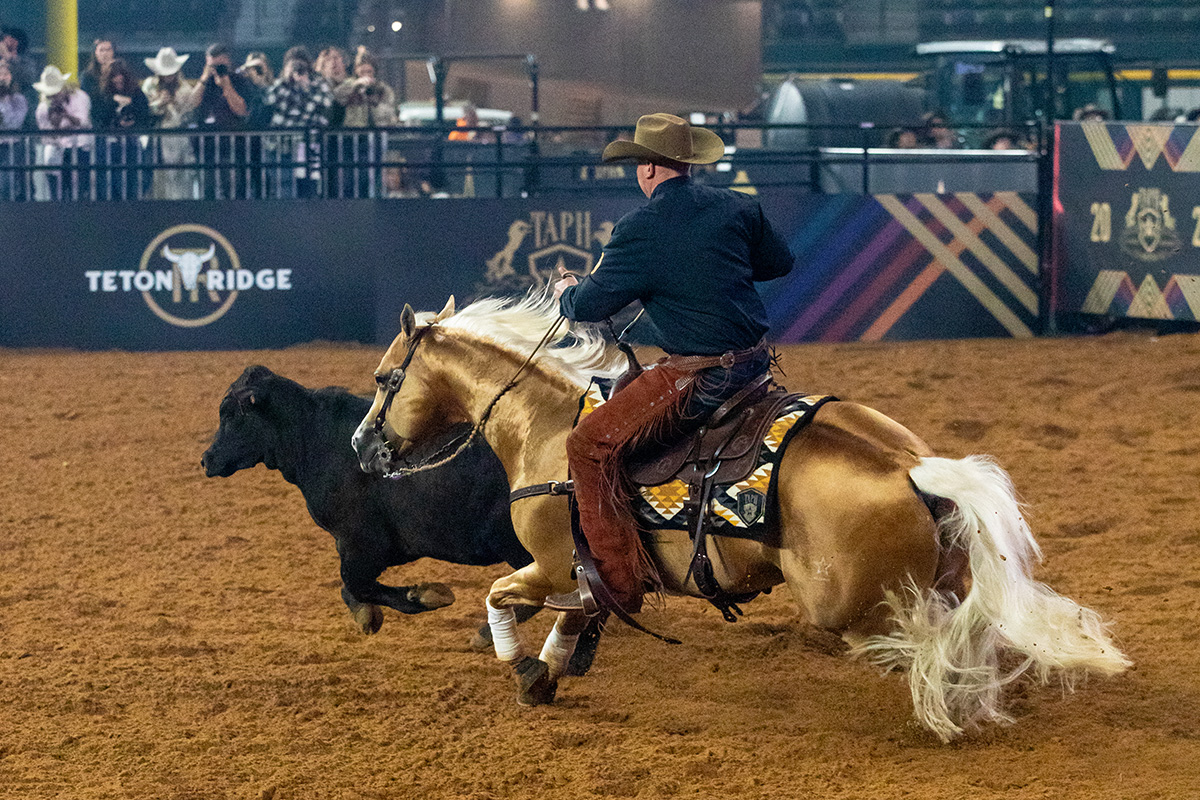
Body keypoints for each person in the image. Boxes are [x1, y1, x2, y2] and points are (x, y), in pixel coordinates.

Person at [548, 113, 795, 614]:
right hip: (754, 366)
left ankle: (617, 584)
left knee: (588, 444)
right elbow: (779, 263)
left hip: (699, 377)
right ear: (687, 162)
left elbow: (589, 308)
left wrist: (567, 294)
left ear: (646, 168)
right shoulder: (739, 208)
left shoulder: (639, 228)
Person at [180, 42, 257, 198]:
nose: (216, 69)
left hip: (232, 146)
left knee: (233, 191)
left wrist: (226, 85)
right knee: (207, 192)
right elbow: (190, 105)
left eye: (220, 65)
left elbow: (242, 110)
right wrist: (204, 78)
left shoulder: (240, 81)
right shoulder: (205, 82)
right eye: (212, 65)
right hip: (206, 147)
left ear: (228, 62)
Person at [263, 46, 333, 197]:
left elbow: (326, 105)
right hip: (279, 146)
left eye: (301, 65)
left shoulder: (318, 84)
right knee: (283, 191)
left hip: (306, 146)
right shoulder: (280, 85)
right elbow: (269, 100)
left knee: (307, 191)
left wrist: (305, 87)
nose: (298, 68)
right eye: (293, 64)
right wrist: (287, 80)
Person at [332, 46, 396, 197]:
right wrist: (356, 86)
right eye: (362, 72)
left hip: (373, 137)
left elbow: (388, 113)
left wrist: (373, 100)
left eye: (369, 72)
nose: (366, 75)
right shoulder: (349, 84)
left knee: (371, 175)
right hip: (351, 135)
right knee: (349, 176)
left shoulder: (383, 89)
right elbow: (336, 97)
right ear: (356, 71)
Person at [142, 46, 196, 199]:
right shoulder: (149, 86)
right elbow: (144, 110)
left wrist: (175, 105)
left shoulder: (185, 90)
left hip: (179, 140)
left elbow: (189, 116)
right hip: (156, 140)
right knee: (157, 180)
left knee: (180, 180)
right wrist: (159, 104)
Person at [93, 58, 151, 199]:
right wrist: (113, 104)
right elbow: (98, 117)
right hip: (109, 144)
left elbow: (144, 112)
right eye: (114, 78)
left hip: (131, 142)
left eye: (121, 78)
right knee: (109, 179)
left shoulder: (136, 93)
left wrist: (131, 106)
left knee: (133, 177)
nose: (118, 80)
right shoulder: (102, 94)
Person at [33, 65, 92, 200]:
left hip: (78, 148)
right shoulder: (43, 108)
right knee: (56, 194)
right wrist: (55, 120)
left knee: (78, 191)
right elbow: (46, 135)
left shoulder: (79, 97)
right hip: (55, 152)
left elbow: (82, 122)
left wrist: (66, 115)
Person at [0, 58, 28, 199]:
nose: (2, 78)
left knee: (6, 182)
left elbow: (14, 124)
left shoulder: (19, 99)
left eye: (6, 74)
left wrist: (4, 101)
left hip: (11, 145)